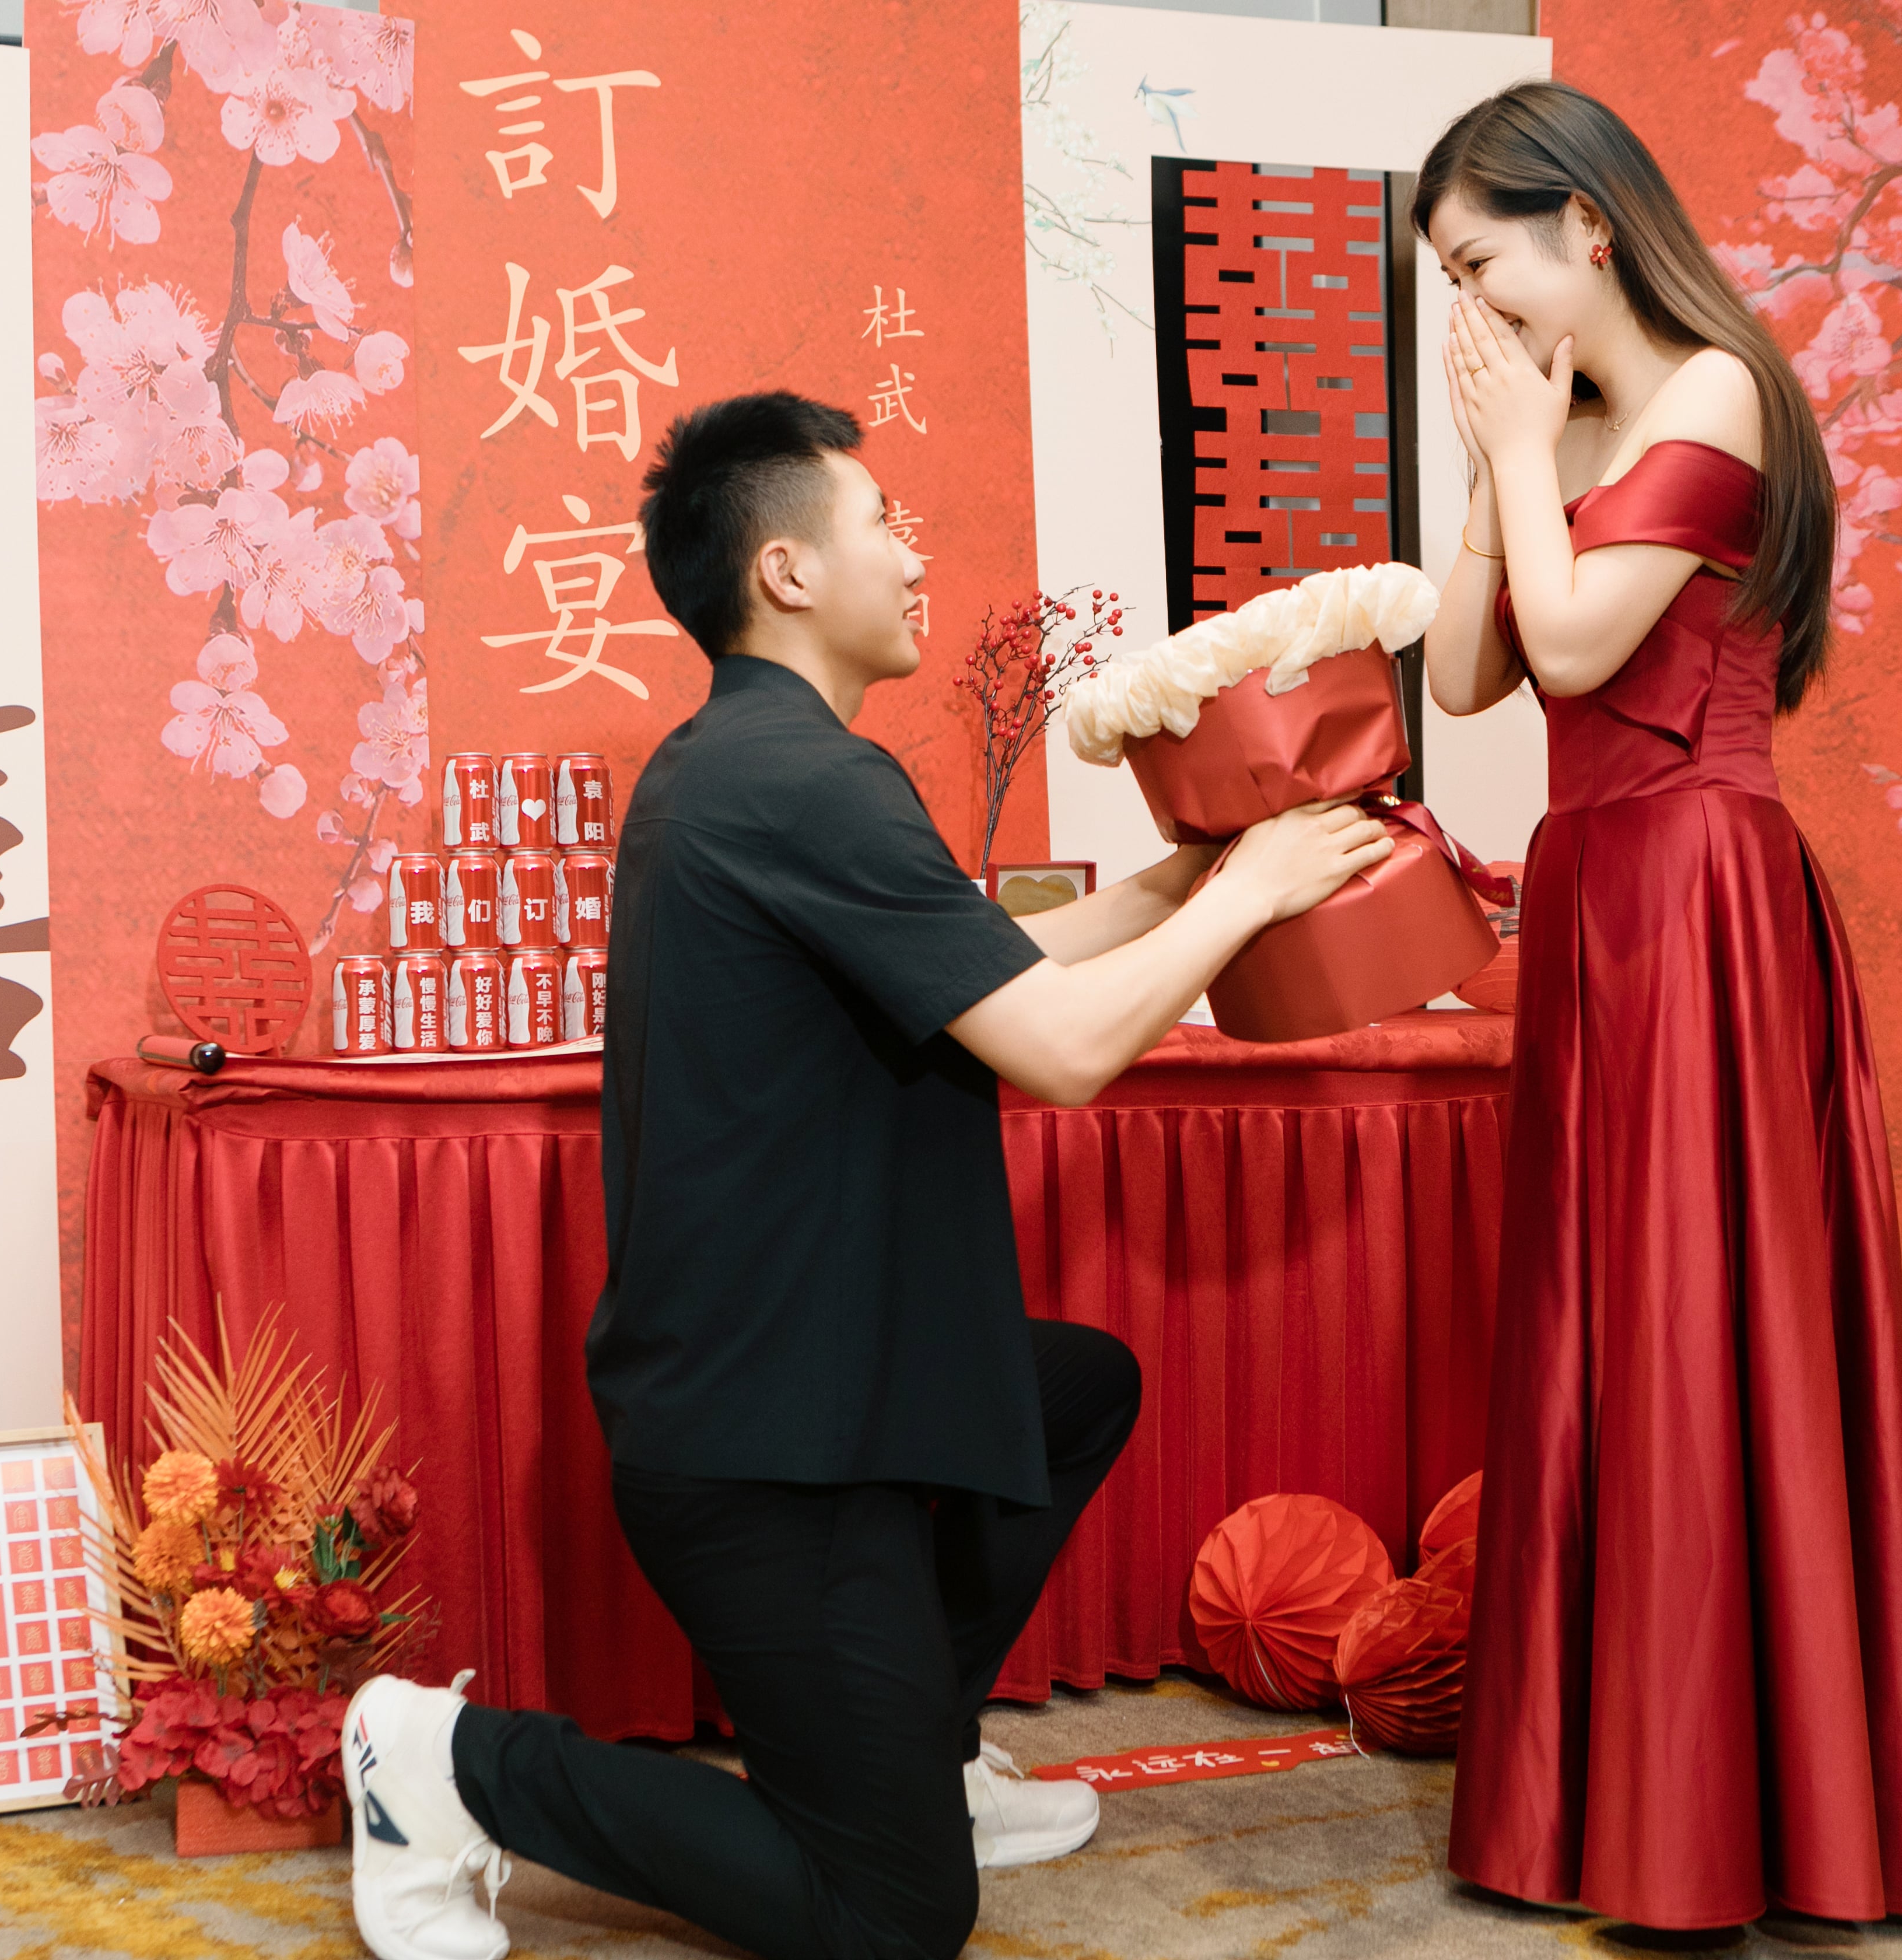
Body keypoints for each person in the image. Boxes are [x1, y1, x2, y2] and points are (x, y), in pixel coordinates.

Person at [337, 392, 1392, 1960]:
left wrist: (1184, 883)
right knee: (892, 1920)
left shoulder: (750, 763)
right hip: (777, 1447)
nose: (913, 555)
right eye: (883, 522)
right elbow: (1059, 1049)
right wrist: (1253, 900)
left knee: (1066, 1393)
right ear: (786, 572)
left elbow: (979, 960)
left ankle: (922, 1755)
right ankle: (443, 1768)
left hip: (811, 1383)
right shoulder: (806, 782)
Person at [1415, 80, 1902, 1933]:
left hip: (1701, 892)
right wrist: (1496, 464)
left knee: (1693, 1314)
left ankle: (1713, 1816)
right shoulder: (1572, 425)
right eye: (1446, 283)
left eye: (1479, 263)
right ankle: (1612, 1798)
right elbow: (1466, 678)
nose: (1469, 309)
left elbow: (1573, 649)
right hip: (1597, 894)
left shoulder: (1719, 394)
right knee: (1609, 1320)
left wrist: (1517, 456)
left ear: (1588, 222)